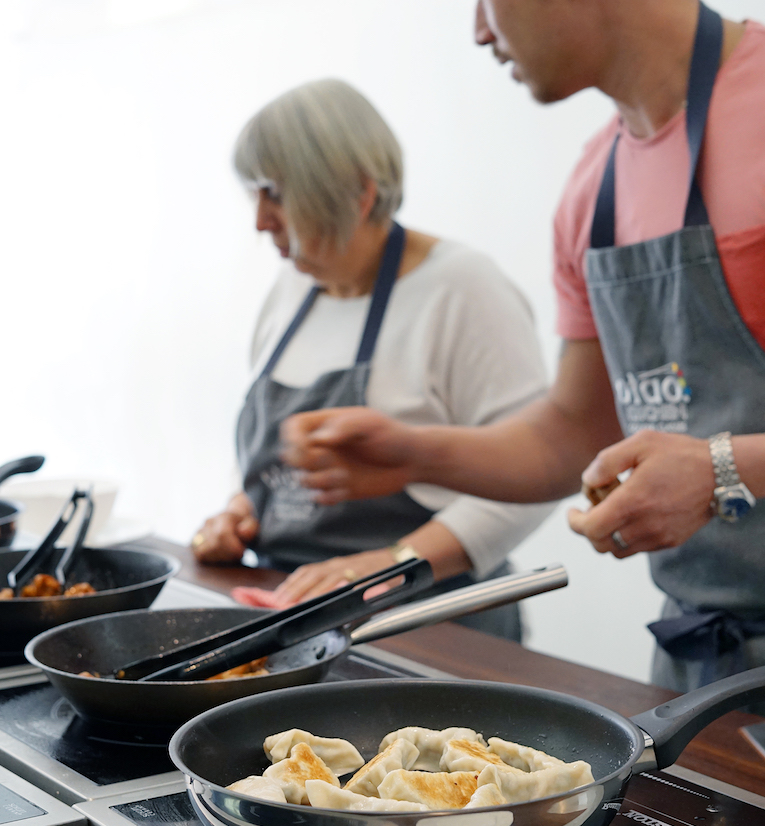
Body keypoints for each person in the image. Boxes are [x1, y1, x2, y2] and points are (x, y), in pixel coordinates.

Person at [278, 4, 765, 826]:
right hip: (696, 662)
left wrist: (723, 468)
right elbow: (570, 431)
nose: (478, 30)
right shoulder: (594, 188)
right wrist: (412, 452)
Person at [191, 79, 557, 641]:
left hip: (432, 628)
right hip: (295, 616)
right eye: (254, 195)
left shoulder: (462, 289)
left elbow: (535, 480)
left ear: (358, 194)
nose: (261, 221)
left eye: (275, 193)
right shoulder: (290, 291)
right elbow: (288, 471)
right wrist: (244, 510)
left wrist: (392, 562)